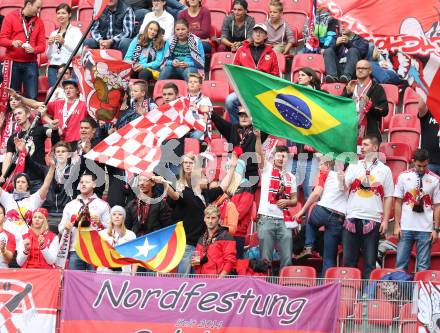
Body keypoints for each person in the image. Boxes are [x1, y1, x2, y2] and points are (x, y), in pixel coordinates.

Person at [163, 151, 238, 274]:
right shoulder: (184, 191)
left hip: (200, 246)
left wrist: (233, 167)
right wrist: (165, 184)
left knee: (196, 277)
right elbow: (175, 196)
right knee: (184, 280)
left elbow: (223, 187)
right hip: (186, 244)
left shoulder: (205, 195)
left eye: (191, 163)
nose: (205, 178)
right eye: (185, 163)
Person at [339, 135, 394, 279]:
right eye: (361, 144)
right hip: (352, 218)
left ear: (375, 148)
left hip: (373, 220)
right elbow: (344, 189)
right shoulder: (354, 164)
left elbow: (388, 197)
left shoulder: (385, 170)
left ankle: (366, 297)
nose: (362, 147)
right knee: (349, 262)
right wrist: (340, 178)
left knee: (369, 263)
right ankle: (350, 294)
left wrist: (385, 220)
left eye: (365, 145)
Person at [293, 156, 347, 276]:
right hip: (338, 218)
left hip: (323, 211)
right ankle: (325, 286)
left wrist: (302, 211)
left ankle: (308, 245)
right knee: (329, 257)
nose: (319, 167)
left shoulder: (326, 174)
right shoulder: (348, 178)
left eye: (321, 164)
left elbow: (316, 194)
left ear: (327, 166)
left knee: (310, 218)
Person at [394, 149, 440, 272]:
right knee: (400, 265)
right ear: (413, 162)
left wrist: (436, 229)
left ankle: (420, 292)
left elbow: (437, 206)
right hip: (406, 226)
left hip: (425, 228)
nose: (421, 169)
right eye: (419, 166)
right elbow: (397, 201)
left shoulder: (435, 179)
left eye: (424, 166)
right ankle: (400, 291)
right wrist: (397, 226)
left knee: (423, 267)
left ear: (428, 162)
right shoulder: (403, 176)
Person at [225, 23, 280, 124]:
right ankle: (237, 129)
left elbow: (275, 76)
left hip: (263, 91)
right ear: (252, 34)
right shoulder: (241, 50)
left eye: (261, 32)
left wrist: (266, 88)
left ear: (265, 36)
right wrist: (241, 87)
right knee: (229, 101)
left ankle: (261, 132)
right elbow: (234, 72)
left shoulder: (271, 53)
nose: (258, 35)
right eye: (256, 32)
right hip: (245, 89)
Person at [256, 144, 297, 270]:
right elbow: (258, 154)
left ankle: (284, 287)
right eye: (278, 155)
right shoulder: (267, 169)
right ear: (274, 157)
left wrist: (287, 202)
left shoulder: (291, 177)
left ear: (287, 159)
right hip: (266, 218)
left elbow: (294, 200)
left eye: (284, 156)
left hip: (284, 220)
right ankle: (264, 288)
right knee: (265, 259)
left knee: (287, 259)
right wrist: (258, 138)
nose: (281, 158)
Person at [1, 106, 59, 194]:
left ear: (28, 114)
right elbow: (8, 158)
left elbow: (57, 133)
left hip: (37, 177)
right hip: (20, 180)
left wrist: (51, 124)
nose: (17, 116)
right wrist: (4, 175)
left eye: (19, 113)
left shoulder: (39, 130)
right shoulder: (13, 137)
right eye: (15, 114)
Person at [0, 148, 55, 242]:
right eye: (18, 182)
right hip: (7, 243)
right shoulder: (7, 197)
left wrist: (52, 168)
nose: (20, 184)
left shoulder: (34, 199)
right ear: (14, 185)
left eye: (23, 182)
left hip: (26, 243)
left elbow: (46, 185)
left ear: (28, 185)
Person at [58, 173, 111, 270]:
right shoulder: (70, 205)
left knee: (94, 282)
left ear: (94, 184)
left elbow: (110, 231)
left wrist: (100, 224)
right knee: (75, 281)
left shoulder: (103, 205)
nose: (83, 184)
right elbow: (60, 228)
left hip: (95, 250)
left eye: (87, 182)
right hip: (75, 249)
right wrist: (66, 227)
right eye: (81, 182)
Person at [0, 0, 45, 100]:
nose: (39, 10)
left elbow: (42, 46)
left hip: (31, 63)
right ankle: (10, 116)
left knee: (32, 96)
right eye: (37, 7)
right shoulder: (10, 17)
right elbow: (2, 39)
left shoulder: (39, 22)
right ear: (29, 4)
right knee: (12, 97)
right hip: (12, 63)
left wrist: (34, 49)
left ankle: (32, 116)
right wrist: (12, 43)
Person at [289, 67, 320, 200]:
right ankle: (291, 220)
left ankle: (310, 220)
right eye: (298, 75)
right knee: (291, 189)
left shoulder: (320, 95)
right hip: (295, 148)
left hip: (312, 151)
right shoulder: (293, 94)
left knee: (309, 190)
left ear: (311, 78)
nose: (299, 77)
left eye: (302, 75)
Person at [343, 60, 388, 144]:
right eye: (358, 68)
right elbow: (340, 107)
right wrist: (347, 94)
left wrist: (371, 105)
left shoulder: (377, 88)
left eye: (364, 68)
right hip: (349, 133)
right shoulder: (350, 85)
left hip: (369, 134)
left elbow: (384, 110)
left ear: (370, 70)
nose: (360, 70)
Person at [192, 205, 237, 276]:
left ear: (219, 219)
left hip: (218, 281)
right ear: (204, 219)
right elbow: (194, 265)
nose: (210, 221)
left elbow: (230, 261)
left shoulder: (226, 236)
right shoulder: (201, 238)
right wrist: (198, 260)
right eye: (208, 218)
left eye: (213, 218)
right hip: (202, 280)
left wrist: (220, 279)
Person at [46, 3, 83, 87]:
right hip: (53, 67)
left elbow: (79, 52)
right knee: (55, 94)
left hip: (69, 67)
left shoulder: (75, 31)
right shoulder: (54, 33)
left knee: (68, 93)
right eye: (58, 13)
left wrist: (64, 43)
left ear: (69, 15)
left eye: (63, 13)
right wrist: (50, 45)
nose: (60, 15)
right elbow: (49, 56)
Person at [125, 173, 172, 237]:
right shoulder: (131, 205)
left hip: (155, 241)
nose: (141, 183)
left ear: (153, 183)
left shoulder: (161, 204)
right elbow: (126, 229)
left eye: (145, 180)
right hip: (136, 242)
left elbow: (168, 228)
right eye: (140, 180)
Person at [43, 141, 74, 233]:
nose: (60, 154)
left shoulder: (75, 169)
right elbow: (33, 166)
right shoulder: (48, 169)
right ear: (54, 155)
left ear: (69, 155)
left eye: (63, 151)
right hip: (50, 212)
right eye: (58, 152)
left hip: (67, 212)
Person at [43, 79, 88, 143]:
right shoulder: (57, 103)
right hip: (59, 143)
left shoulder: (84, 105)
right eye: (66, 88)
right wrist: (50, 122)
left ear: (77, 91)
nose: (68, 90)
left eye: (71, 88)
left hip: (76, 142)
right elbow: (41, 109)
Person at [98, 206, 136, 274]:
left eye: (120, 214)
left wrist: (133, 274)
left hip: (124, 273)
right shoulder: (101, 234)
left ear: (123, 217)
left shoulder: (131, 234)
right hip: (104, 273)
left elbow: (135, 257)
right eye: (114, 214)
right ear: (111, 217)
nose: (117, 216)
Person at [418, 99, 440, 176]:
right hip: (428, 161)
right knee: (427, 188)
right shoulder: (428, 113)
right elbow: (421, 107)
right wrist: (429, 88)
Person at [187, 72, 211, 139]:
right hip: (186, 125)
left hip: (199, 125)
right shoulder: (184, 99)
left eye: (195, 82)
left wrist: (198, 108)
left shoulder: (205, 99)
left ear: (200, 86)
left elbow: (210, 114)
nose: (192, 83)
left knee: (197, 135)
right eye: (190, 82)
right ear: (187, 85)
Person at [0, 204, 16, 268]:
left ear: (5, 218)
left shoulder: (10, 236)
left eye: (0, 213)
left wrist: (3, 250)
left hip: (3, 272)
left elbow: (9, 259)